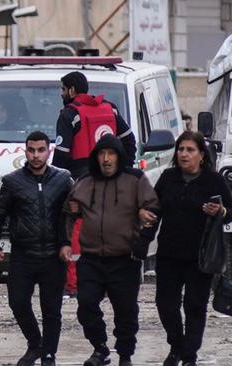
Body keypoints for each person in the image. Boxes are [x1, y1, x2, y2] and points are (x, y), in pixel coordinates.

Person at [65, 134, 159, 366]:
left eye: (111, 154)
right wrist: (65, 241)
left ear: (119, 156)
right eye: (101, 154)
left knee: (126, 310)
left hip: (124, 258)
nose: (106, 159)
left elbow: (153, 210)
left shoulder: (135, 179)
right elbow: (68, 213)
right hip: (91, 258)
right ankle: (100, 348)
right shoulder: (85, 181)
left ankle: (125, 355)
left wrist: (142, 243)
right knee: (86, 305)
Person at [144, 131, 232, 366]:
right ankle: (177, 346)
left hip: (201, 256)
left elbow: (231, 212)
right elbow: (154, 212)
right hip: (169, 254)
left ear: (201, 156)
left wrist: (220, 212)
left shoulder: (213, 180)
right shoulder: (168, 177)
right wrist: (142, 242)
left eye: (190, 150)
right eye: (181, 149)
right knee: (166, 305)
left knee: (195, 306)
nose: (184, 154)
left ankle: (189, 356)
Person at [0, 131, 74, 366]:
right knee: (18, 302)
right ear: (26, 151)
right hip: (23, 254)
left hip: (54, 255)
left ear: (49, 151)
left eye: (41, 150)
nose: (36, 155)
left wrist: (67, 243)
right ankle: (36, 344)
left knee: (51, 310)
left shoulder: (63, 180)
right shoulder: (12, 181)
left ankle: (48, 355)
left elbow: (74, 211)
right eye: (31, 150)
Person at [53, 71, 138, 300]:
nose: (61, 94)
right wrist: (123, 169)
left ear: (71, 90)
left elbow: (61, 156)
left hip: (81, 182)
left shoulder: (70, 114)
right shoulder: (110, 109)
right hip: (111, 182)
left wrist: (54, 183)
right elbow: (129, 140)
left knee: (74, 231)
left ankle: (73, 283)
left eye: (62, 90)